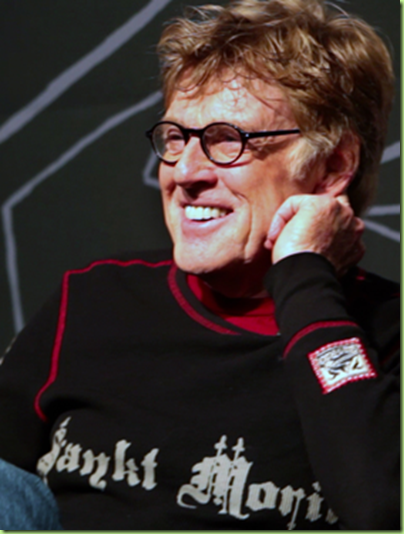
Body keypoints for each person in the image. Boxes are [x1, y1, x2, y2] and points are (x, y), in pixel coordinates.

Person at [0, 0, 399, 529]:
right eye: (175, 137)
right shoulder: (94, 298)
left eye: (226, 140)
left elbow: (381, 511)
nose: (183, 172)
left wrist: (304, 275)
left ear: (332, 165)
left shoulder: (389, 333)